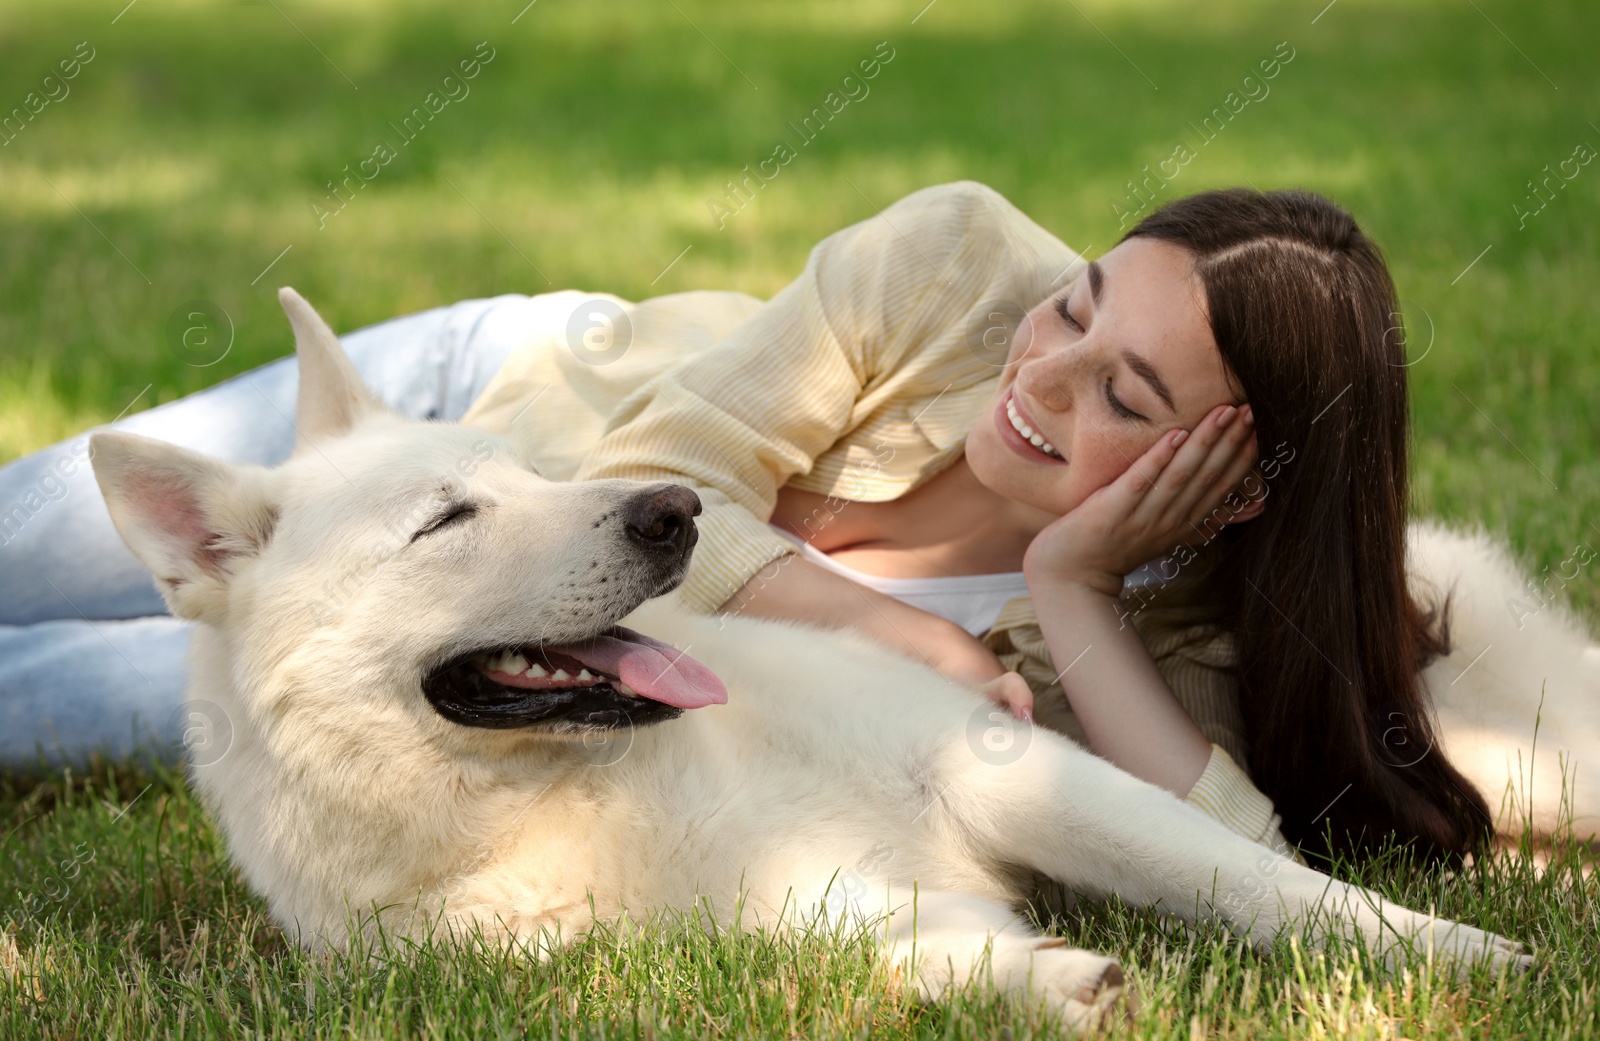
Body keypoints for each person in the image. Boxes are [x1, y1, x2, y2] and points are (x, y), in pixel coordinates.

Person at [0, 181, 1487, 865]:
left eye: (1126, 396)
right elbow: (662, 473)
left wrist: (1074, 593)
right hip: (471, 419)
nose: (1040, 373)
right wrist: (888, 626)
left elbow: (1228, 846)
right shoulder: (953, 260)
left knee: (73, 699)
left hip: (474, 645)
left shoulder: (1180, 638)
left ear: (1233, 483)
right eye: (1073, 305)